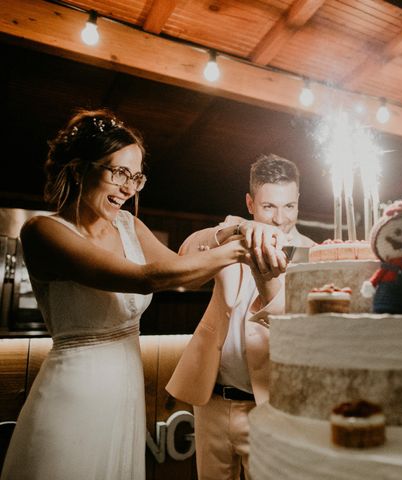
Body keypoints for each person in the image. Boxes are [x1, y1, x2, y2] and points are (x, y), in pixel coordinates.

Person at [0, 109, 250, 480]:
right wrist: (238, 250)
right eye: (118, 172)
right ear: (79, 167)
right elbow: (146, 277)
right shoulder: (43, 232)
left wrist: (223, 235)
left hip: (126, 388)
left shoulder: (128, 224)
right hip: (75, 391)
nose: (129, 188)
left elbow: (183, 273)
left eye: (135, 177)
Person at [166, 154, 314, 480]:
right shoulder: (233, 235)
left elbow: (306, 335)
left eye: (289, 206)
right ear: (250, 202)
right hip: (212, 402)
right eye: (269, 207)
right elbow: (184, 257)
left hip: (271, 408)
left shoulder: (311, 255)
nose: (279, 219)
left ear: (299, 201)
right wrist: (232, 232)